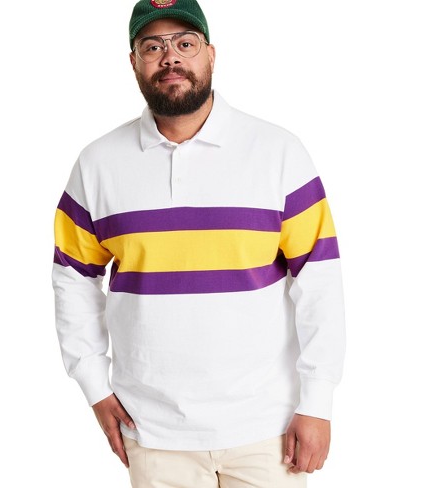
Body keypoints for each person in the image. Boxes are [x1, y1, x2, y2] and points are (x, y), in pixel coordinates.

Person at [52, 0, 345, 486]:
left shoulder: (278, 152)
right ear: (133, 62)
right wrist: (93, 385)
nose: (170, 57)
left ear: (210, 54)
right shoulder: (97, 164)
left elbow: (319, 280)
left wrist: (318, 401)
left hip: (268, 427)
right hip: (151, 430)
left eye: (185, 43)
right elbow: (73, 279)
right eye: (153, 47)